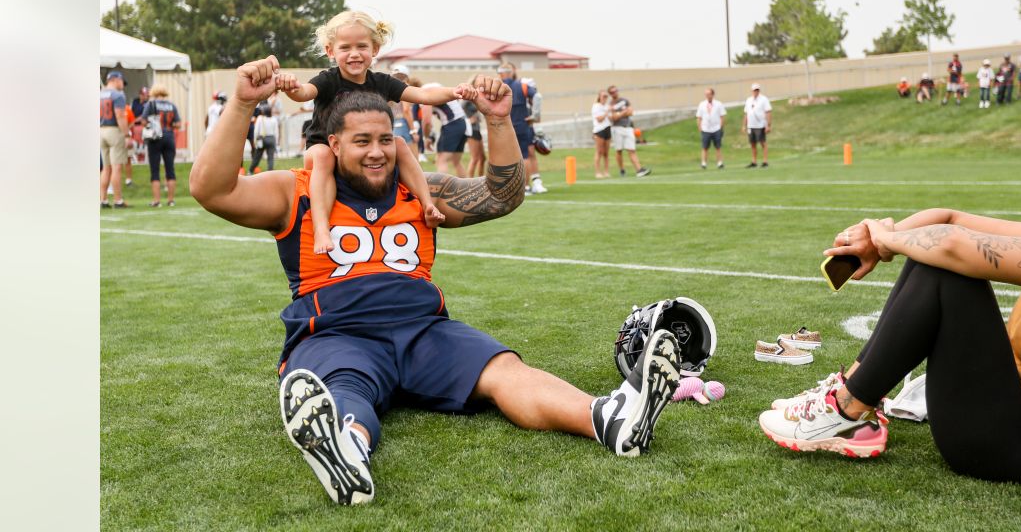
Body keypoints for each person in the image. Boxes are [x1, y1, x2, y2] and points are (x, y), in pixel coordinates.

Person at [187, 58, 683, 506]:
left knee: (505, 369)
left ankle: (608, 420)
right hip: (337, 332)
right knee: (343, 390)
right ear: (333, 145)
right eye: (362, 142)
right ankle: (347, 450)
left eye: (385, 140)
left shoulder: (421, 191)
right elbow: (211, 189)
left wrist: (496, 118)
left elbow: (502, 195)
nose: (377, 153)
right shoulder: (293, 191)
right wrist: (242, 104)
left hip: (424, 330)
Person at [759, 115, 1021, 483]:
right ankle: (850, 404)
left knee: (946, 267)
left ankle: (845, 409)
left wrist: (887, 235)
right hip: (1012, 411)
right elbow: (949, 218)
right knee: (936, 259)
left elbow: (954, 246)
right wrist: (878, 244)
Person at [273, 10, 468, 255]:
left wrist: (457, 92)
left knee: (398, 143)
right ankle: (321, 228)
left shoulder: (381, 82)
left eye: (362, 46)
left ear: (375, 49)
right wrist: (290, 86)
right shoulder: (327, 80)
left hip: (364, 153)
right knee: (323, 156)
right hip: (324, 150)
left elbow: (423, 95)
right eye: (345, 48)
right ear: (331, 51)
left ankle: (427, 205)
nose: (354, 54)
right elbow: (303, 93)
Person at [496, 63, 550, 193]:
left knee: (518, 156)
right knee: (526, 155)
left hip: (506, 126)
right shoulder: (522, 85)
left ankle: (526, 185)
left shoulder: (497, 87)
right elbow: (537, 96)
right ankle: (526, 186)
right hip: (523, 124)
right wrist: (535, 116)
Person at [139, 85, 183, 206]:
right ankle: (171, 200)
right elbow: (178, 124)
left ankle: (157, 201)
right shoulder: (172, 105)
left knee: (155, 170)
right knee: (170, 169)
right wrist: (170, 126)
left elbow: (143, 121)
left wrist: (152, 123)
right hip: (169, 137)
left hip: (155, 138)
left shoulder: (151, 104)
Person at [420, 81, 471, 177]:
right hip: (462, 123)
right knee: (456, 162)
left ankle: (442, 191)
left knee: (441, 160)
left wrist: (427, 138)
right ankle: (467, 189)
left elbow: (426, 121)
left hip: (452, 124)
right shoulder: (433, 86)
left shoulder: (423, 92)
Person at [100, 70, 131, 208]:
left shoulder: (99, 94)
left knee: (106, 168)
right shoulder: (117, 95)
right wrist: (126, 135)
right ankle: (118, 200)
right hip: (113, 130)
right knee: (116, 167)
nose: (122, 83)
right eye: (121, 80)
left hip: (100, 131)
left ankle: (103, 199)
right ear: (114, 80)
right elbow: (120, 115)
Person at [607, 84, 651, 177]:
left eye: (616, 91)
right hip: (617, 128)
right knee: (619, 150)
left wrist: (619, 114)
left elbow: (630, 112)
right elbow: (613, 118)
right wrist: (623, 112)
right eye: (612, 92)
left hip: (628, 127)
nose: (615, 93)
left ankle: (639, 170)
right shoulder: (610, 105)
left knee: (631, 149)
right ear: (610, 94)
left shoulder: (624, 101)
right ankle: (622, 170)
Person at [696, 87, 727, 170]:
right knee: (705, 147)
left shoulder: (718, 104)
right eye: (706, 94)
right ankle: (703, 163)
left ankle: (719, 163)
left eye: (709, 94)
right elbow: (699, 117)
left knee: (718, 147)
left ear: (712, 95)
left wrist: (721, 127)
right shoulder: (702, 104)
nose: (707, 96)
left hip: (716, 128)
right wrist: (699, 127)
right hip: (706, 129)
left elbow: (722, 116)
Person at [743, 83, 772, 167]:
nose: (756, 91)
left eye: (757, 90)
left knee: (763, 143)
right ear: (752, 91)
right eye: (754, 90)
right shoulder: (749, 100)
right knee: (752, 143)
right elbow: (746, 113)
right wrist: (744, 125)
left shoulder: (764, 99)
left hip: (760, 125)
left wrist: (768, 125)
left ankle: (765, 161)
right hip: (751, 125)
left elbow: (768, 112)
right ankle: (754, 161)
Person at [250, 104, 279, 174]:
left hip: (262, 139)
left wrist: (254, 141)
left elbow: (256, 130)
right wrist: (276, 142)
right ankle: (270, 173)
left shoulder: (260, 118)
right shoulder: (274, 119)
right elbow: (276, 132)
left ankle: (250, 171)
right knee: (270, 158)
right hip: (272, 139)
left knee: (257, 156)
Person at [590, 90, 612, 178]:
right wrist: (606, 112)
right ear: (599, 97)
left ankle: (606, 171)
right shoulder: (596, 106)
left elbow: (610, 117)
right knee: (599, 151)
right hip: (599, 130)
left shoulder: (607, 106)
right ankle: (598, 172)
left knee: (606, 153)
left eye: (606, 96)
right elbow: (599, 119)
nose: (605, 98)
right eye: (603, 96)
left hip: (607, 128)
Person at [463, 98, 487, 178]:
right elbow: (459, 111)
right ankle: (469, 183)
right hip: (471, 131)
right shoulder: (466, 101)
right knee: (475, 158)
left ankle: (481, 180)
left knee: (483, 158)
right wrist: (467, 121)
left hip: (477, 130)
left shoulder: (476, 99)